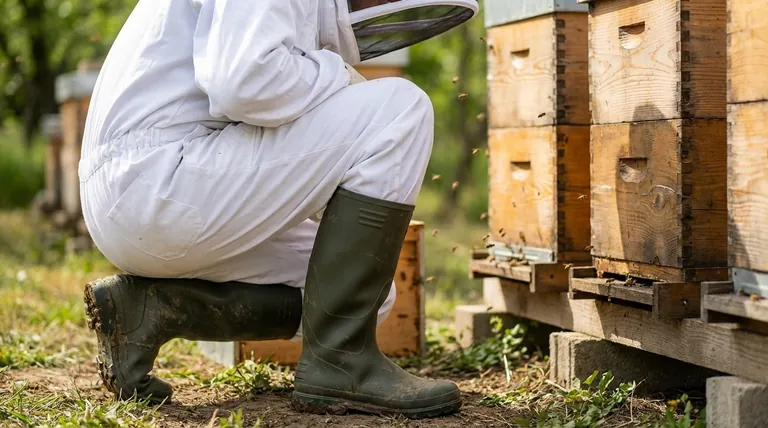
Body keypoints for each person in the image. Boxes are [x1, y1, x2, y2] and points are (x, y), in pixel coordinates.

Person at [79, 0, 477, 419]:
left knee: (359, 295)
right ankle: (339, 364)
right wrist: (340, 76)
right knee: (400, 107)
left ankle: (156, 308)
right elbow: (245, 82)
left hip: (153, 193)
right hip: (162, 181)